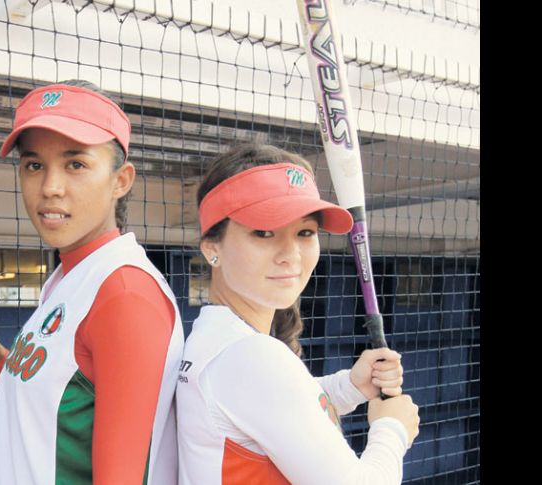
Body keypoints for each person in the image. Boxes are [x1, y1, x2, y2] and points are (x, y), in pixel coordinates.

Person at [0, 80, 184, 484]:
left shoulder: (124, 294)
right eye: (34, 165)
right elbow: (58, 403)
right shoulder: (69, 276)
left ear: (121, 180)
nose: (50, 188)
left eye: (76, 164)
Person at [176, 144, 420, 484]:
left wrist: (348, 387)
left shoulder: (215, 337)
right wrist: (392, 428)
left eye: (305, 232)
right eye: (263, 232)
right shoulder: (252, 357)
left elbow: (266, 409)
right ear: (212, 248)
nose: (290, 255)